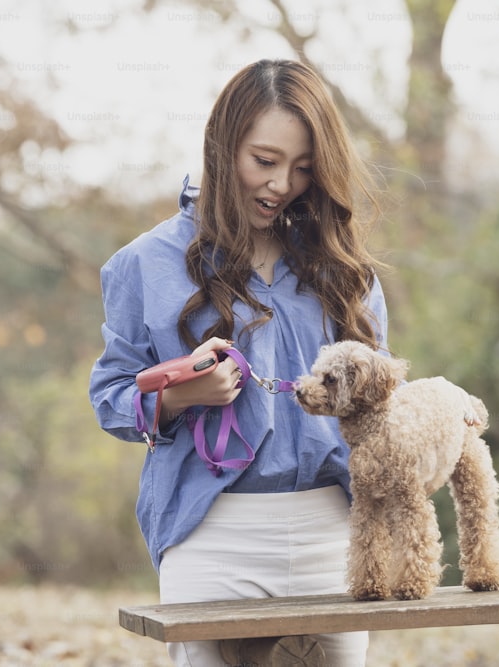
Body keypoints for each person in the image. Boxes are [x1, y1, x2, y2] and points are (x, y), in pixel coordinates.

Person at [89, 58, 389, 666]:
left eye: (304, 168)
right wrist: (179, 397)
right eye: (265, 160)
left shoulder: (343, 268)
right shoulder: (144, 264)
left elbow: (381, 400)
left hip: (336, 529)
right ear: (222, 147)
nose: (282, 184)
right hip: (211, 530)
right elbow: (110, 397)